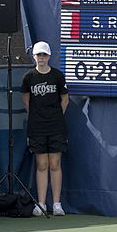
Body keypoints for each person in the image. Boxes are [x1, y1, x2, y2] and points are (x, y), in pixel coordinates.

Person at [21, 42, 68, 216]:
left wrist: (55, 116)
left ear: (49, 56)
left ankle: (56, 204)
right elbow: (26, 101)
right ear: (34, 56)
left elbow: (65, 100)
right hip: (37, 127)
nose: (41, 58)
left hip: (56, 126)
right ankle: (41, 204)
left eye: (44, 55)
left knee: (55, 164)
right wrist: (37, 117)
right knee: (41, 164)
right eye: (38, 55)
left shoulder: (57, 76)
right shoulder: (28, 78)